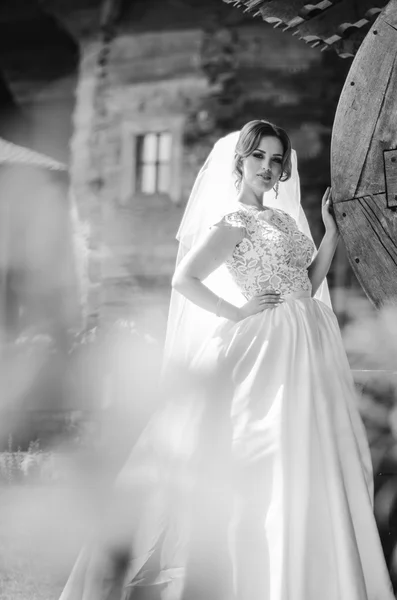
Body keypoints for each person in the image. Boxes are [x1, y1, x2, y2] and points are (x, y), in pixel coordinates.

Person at [59, 120, 394, 600]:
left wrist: (332, 235)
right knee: (276, 454)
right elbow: (185, 278)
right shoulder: (233, 221)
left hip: (311, 336)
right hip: (268, 342)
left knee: (318, 453)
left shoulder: (282, 220)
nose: (268, 167)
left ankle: (321, 571)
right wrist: (235, 311)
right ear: (240, 161)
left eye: (277, 160)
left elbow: (309, 281)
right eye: (259, 156)